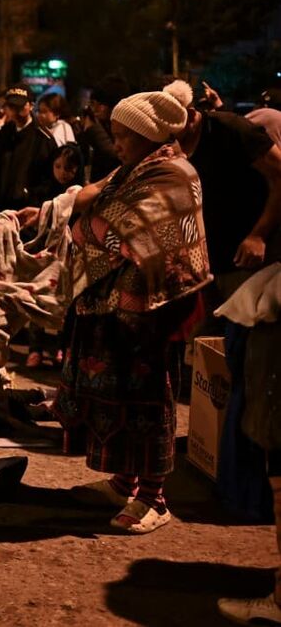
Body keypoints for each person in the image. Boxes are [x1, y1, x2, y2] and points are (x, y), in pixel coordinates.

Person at [51, 90, 210, 534]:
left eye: (123, 135)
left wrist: (81, 218)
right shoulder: (135, 169)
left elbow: (119, 227)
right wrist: (81, 211)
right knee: (118, 389)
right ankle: (126, 481)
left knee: (148, 394)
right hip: (120, 299)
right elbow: (97, 211)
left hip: (156, 305)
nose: (115, 144)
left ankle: (154, 497)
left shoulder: (173, 175)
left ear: (146, 135)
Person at [163, 79, 281, 298]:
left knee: (247, 328)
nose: (170, 138)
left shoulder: (233, 129)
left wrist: (258, 236)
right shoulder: (171, 144)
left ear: (189, 114)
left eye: (173, 130)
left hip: (247, 259)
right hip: (207, 264)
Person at [25, 143, 82, 368]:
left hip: (68, 257)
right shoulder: (42, 191)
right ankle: (35, 349)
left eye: (68, 168)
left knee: (65, 304)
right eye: (57, 166)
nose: (61, 172)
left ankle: (62, 347)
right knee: (36, 299)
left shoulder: (79, 195)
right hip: (44, 255)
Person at [0, 83, 55, 211]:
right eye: (11, 106)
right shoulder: (4, 133)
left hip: (27, 209)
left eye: (19, 106)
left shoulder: (42, 138)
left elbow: (48, 178)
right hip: (0, 207)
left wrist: (30, 196)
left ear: (31, 106)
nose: (15, 111)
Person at [79, 76, 127, 181]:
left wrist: (93, 130)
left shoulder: (125, 125)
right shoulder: (97, 122)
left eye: (100, 104)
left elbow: (116, 154)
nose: (95, 109)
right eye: (92, 103)